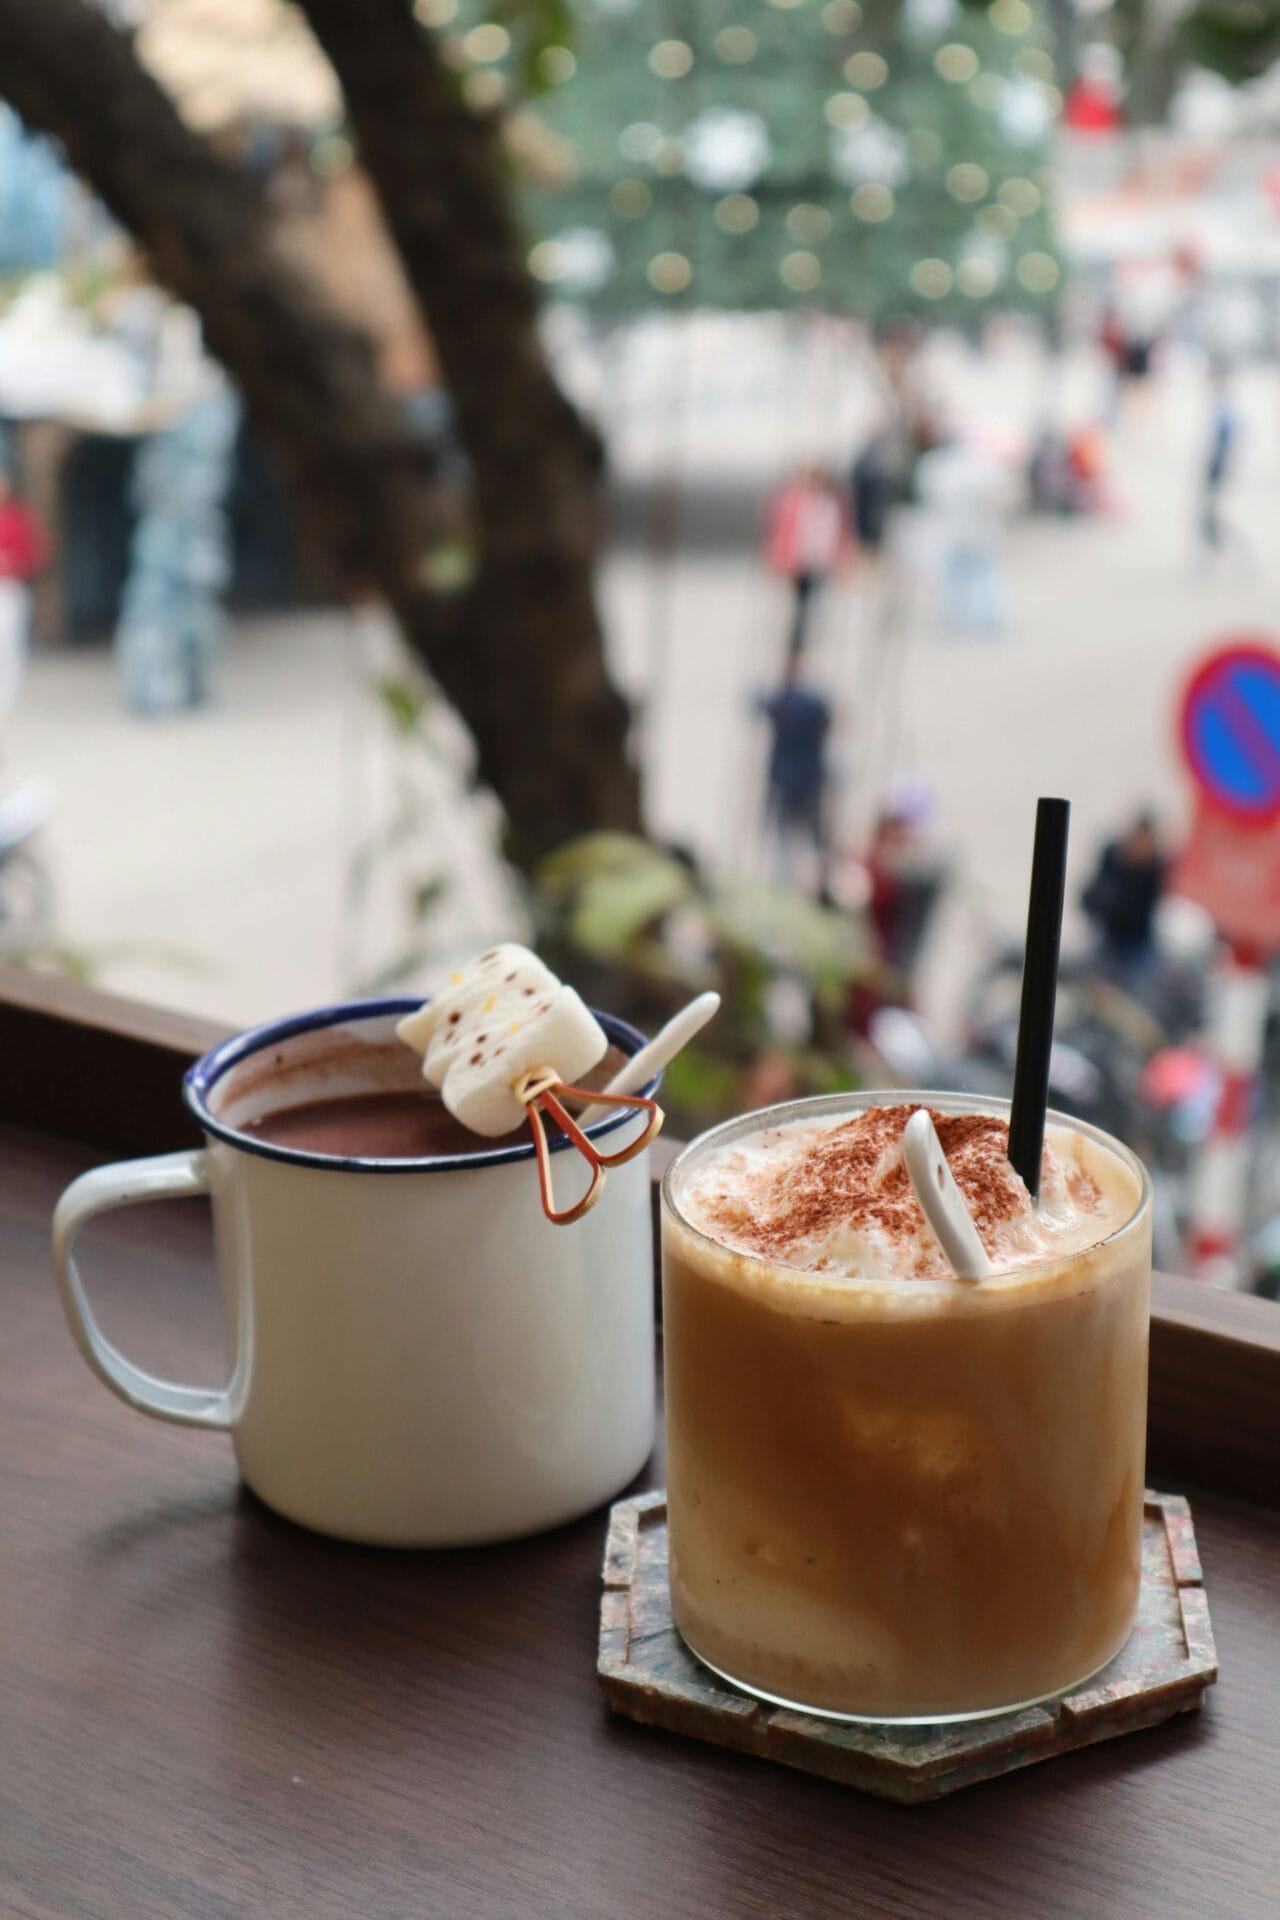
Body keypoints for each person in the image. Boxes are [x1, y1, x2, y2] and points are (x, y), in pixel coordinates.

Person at [758, 647, 833, 891]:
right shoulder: (810, 702)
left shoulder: (787, 701)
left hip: (796, 782)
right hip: (799, 782)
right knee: (807, 843)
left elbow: (758, 703)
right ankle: (813, 884)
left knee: (793, 843)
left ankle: (798, 885)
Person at [763, 468, 852, 660]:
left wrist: (841, 558)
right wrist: (780, 559)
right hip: (800, 561)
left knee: (815, 603)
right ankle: (795, 645)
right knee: (801, 604)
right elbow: (781, 530)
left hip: (821, 561)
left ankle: (808, 644)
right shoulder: (794, 501)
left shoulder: (832, 503)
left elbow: (839, 532)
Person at [1081, 812, 1167, 984]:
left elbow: (1138, 912)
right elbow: (1092, 896)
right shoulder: (1113, 856)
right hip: (1106, 937)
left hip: (1135, 945)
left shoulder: (1154, 870)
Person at [0, 472, 49, 722]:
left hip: (10, 589)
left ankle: (7, 697)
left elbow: (35, 553)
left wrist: (13, 563)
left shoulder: (19, 518)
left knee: (10, 645)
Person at [1200, 364, 1239, 553]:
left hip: (1218, 465)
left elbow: (1225, 438)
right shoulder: (1222, 402)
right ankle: (1214, 547)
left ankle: (1221, 548)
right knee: (1212, 512)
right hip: (1218, 464)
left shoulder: (1222, 405)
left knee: (1216, 512)